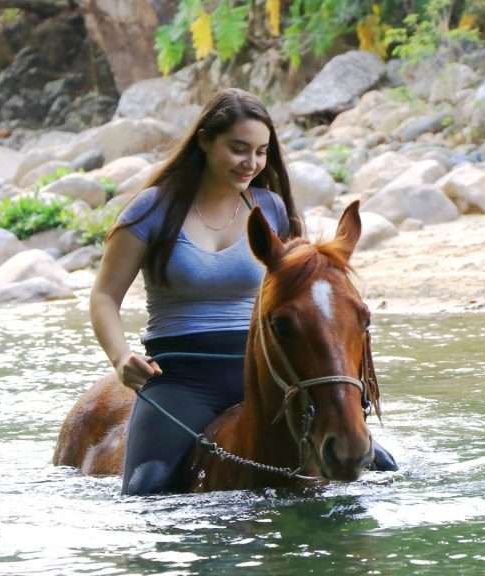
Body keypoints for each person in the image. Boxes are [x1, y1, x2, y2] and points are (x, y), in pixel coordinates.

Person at [89, 88, 396, 496]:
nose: (251, 163)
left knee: (382, 466)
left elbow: (302, 300)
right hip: (180, 379)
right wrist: (120, 356)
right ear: (204, 140)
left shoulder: (271, 209)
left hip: (267, 372)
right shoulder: (151, 210)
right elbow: (104, 296)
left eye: (261, 152)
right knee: (147, 486)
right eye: (238, 149)